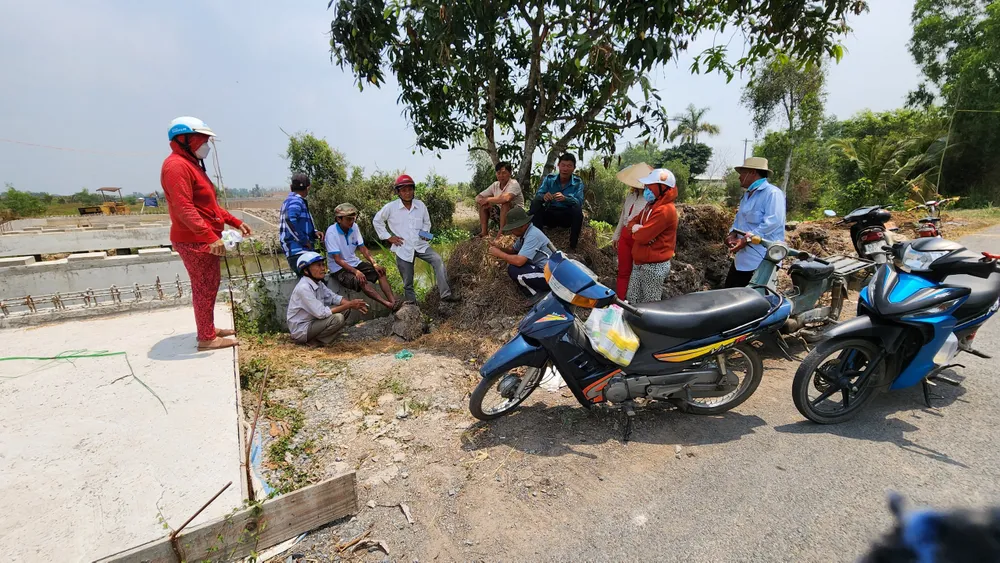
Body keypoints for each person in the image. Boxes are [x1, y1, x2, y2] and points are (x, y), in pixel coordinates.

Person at [161, 116, 251, 351]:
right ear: (184, 140)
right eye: (202, 140)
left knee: (210, 285)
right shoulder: (176, 166)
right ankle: (206, 338)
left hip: (203, 238)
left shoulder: (191, 165)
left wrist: (233, 221)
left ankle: (207, 329)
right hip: (195, 240)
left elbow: (209, 207)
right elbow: (184, 208)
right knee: (203, 287)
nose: (206, 146)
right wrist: (210, 236)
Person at [373, 174, 458, 304]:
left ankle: (445, 295)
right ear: (398, 192)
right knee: (408, 282)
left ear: (413, 190)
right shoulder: (391, 207)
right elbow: (377, 221)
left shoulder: (420, 205)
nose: (407, 193)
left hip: (421, 244)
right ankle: (413, 308)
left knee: (438, 260)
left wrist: (425, 233)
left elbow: (427, 222)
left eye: (410, 189)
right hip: (403, 248)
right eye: (404, 190)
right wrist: (389, 237)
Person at [325, 203, 401, 311]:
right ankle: (387, 304)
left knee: (380, 272)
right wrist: (356, 271)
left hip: (354, 262)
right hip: (339, 268)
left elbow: (363, 248)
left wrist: (374, 263)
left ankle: (393, 302)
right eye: (348, 219)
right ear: (339, 219)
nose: (352, 222)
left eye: (353, 219)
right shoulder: (331, 233)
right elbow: (337, 259)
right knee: (360, 279)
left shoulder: (354, 227)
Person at [724, 157, 786, 288]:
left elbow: (773, 222)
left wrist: (746, 240)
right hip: (742, 259)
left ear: (752, 172)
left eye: (742, 173)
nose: (739, 177)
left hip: (761, 260)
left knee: (754, 300)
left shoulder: (772, 194)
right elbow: (739, 219)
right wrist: (732, 234)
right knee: (730, 294)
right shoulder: (747, 195)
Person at [286, 252, 368, 347]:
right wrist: (350, 304)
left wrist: (354, 305)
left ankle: (317, 338)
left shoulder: (318, 283)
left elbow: (333, 297)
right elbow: (321, 313)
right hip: (303, 328)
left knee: (345, 309)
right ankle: (314, 340)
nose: (323, 268)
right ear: (306, 271)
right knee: (338, 318)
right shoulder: (304, 288)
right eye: (318, 265)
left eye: (322, 265)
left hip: (314, 321)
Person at [625, 169, 679, 304]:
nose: (646, 190)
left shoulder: (665, 210)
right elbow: (631, 222)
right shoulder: (651, 206)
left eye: (650, 187)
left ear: (661, 188)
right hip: (640, 262)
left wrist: (639, 231)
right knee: (633, 300)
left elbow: (643, 237)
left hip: (653, 266)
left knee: (650, 304)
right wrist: (636, 228)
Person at [488, 207, 554, 298]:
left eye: (513, 228)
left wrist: (499, 254)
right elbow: (514, 251)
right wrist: (499, 249)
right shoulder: (524, 234)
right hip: (543, 270)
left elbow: (519, 261)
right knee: (514, 267)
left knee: (514, 269)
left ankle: (537, 294)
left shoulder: (533, 235)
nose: (511, 231)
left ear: (523, 225)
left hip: (550, 276)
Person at [612, 162, 655, 299]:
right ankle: (620, 301)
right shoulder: (630, 196)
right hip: (625, 235)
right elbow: (623, 216)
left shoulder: (650, 199)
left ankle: (634, 303)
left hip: (639, 237)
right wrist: (616, 235)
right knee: (623, 271)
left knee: (637, 272)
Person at [529, 152, 585, 250]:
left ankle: (572, 247)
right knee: (535, 203)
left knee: (577, 210)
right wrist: (544, 196)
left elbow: (579, 202)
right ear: (558, 165)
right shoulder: (549, 179)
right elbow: (538, 195)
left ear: (573, 168)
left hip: (566, 217)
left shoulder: (578, 182)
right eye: (563, 165)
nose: (565, 169)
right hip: (550, 213)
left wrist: (566, 199)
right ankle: (537, 240)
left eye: (569, 166)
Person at [279, 172, 323, 276]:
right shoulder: (296, 201)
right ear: (308, 188)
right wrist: (303, 240)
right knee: (312, 281)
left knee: (316, 283)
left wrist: (314, 232)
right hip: (298, 251)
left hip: (299, 251)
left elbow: (300, 222)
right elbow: (289, 220)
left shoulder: (290, 201)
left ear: (291, 187)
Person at [475, 161, 524, 237]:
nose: (501, 175)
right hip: (501, 215)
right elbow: (478, 197)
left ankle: (501, 233)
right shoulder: (495, 185)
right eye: (498, 173)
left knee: (505, 204)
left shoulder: (514, 184)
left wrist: (488, 199)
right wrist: (482, 201)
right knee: (484, 206)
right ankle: (484, 232)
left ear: (510, 173)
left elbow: (506, 198)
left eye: (504, 173)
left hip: (516, 216)